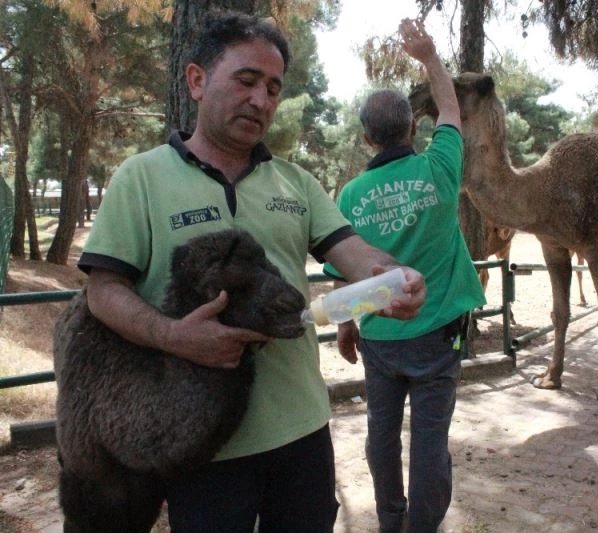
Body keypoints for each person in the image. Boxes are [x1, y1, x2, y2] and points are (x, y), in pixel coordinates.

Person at [76, 10, 425, 533]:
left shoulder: (296, 183)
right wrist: (173, 337)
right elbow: (103, 290)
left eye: (273, 88)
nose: (261, 100)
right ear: (196, 80)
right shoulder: (140, 178)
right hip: (200, 442)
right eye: (246, 81)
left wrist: (393, 276)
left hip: (303, 429)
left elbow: (352, 250)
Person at [322, 18, 486, 533]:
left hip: (380, 341)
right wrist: (429, 57)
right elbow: (452, 109)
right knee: (430, 442)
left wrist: (347, 326)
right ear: (413, 128)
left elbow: (342, 271)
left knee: (381, 436)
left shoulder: (348, 196)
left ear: (367, 138)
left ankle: (390, 523)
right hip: (438, 338)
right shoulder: (440, 166)